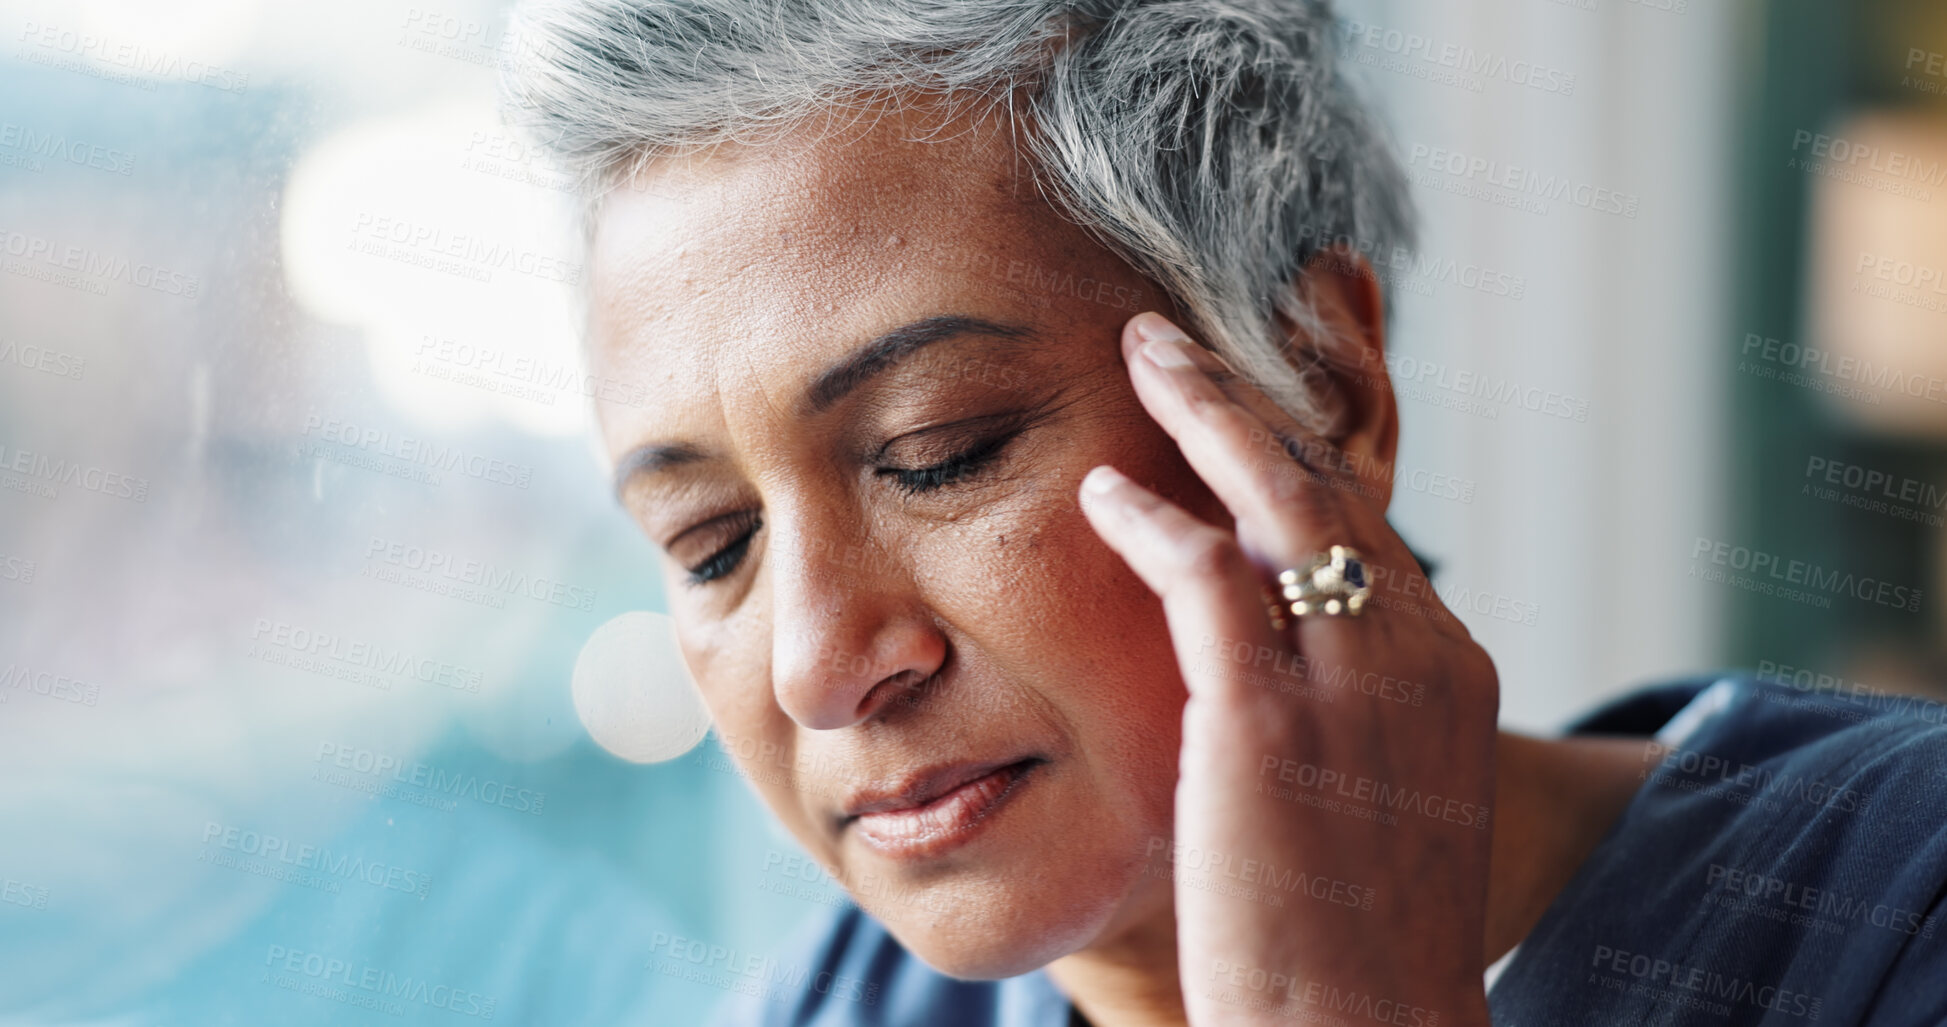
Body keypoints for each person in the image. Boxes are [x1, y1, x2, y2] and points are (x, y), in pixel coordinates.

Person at [502, 1, 1947, 1023]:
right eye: (713, 545)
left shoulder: (1898, 913)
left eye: (938, 451)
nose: (820, 665)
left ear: (1320, 390)